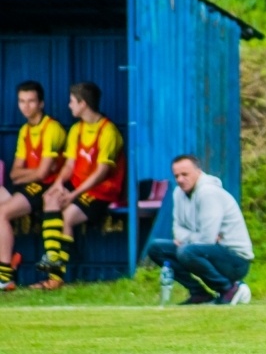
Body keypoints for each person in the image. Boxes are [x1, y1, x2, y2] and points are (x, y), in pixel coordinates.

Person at [32, 82, 126, 290]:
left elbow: (101, 173)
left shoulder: (108, 131)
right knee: (50, 198)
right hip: (78, 187)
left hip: (102, 191)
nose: (69, 106)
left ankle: (56, 277)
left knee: (68, 216)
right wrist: (58, 184)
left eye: (72, 101)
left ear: (83, 104)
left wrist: (73, 194)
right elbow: (69, 165)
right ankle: (53, 260)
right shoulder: (76, 129)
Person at [147, 154, 253, 305]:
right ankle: (199, 293)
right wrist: (192, 238)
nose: (180, 179)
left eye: (185, 174)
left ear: (198, 172)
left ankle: (228, 290)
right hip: (207, 250)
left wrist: (187, 239)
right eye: (176, 176)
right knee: (156, 248)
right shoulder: (178, 193)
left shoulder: (208, 192)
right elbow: (177, 230)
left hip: (236, 259)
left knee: (186, 251)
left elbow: (207, 239)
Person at [0, 81, 67, 291]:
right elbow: (14, 173)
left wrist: (28, 174)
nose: (26, 106)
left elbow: (43, 173)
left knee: (2, 213)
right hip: (29, 186)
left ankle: (5, 277)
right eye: (22, 101)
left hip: (48, 187)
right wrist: (30, 174)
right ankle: (9, 259)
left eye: (31, 101)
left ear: (41, 104)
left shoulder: (51, 128)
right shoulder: (25, 130)